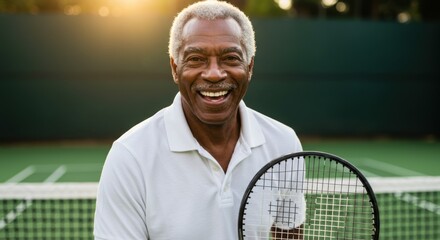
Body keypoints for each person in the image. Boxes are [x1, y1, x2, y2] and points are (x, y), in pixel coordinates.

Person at [93, 1, 303, 239]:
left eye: (231, 58)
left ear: (250, 66)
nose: (214, 73)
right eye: (195, 58)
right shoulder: (129, 157)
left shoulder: (284, 144)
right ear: (174, 67)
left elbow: (289, 234)